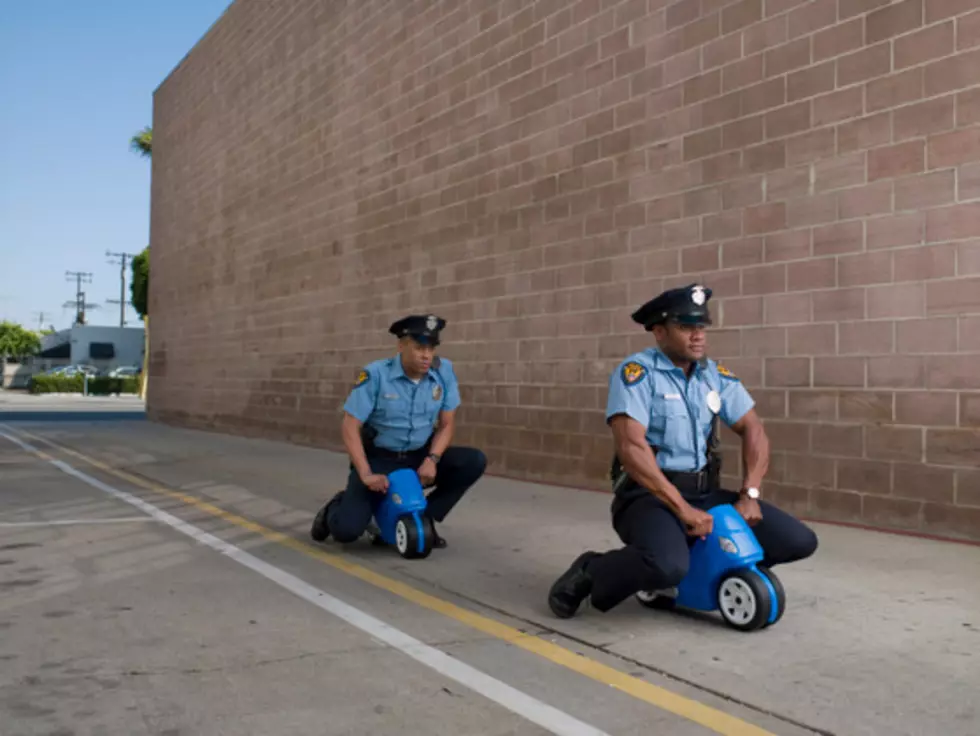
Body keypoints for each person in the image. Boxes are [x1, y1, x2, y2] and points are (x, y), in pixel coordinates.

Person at [547, 283, 818, 618]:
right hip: (648, 497)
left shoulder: (714, 375)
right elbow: (632, 449)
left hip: (705, 494)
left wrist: (749, 492)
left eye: (701, 327)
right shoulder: (637, 374)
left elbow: (754, 429)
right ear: (659, 332)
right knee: (665, 564)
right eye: (686, 327)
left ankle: (692, 575)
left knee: (797, 541)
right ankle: (592, 570)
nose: (698, 336)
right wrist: (681, 509)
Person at [311, 314, 487, 548]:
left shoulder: (443, 372)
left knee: (473, 461)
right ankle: (336, 507)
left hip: (418, 456)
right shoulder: (376, 375)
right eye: (419, 347)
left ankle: (424, 518)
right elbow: (350, 425)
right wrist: (365, 473)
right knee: (347, 531)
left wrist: (432, 459)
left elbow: (447, 424)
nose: (427, 355)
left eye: (431, 348)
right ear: (401, 345)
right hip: (379, 459)